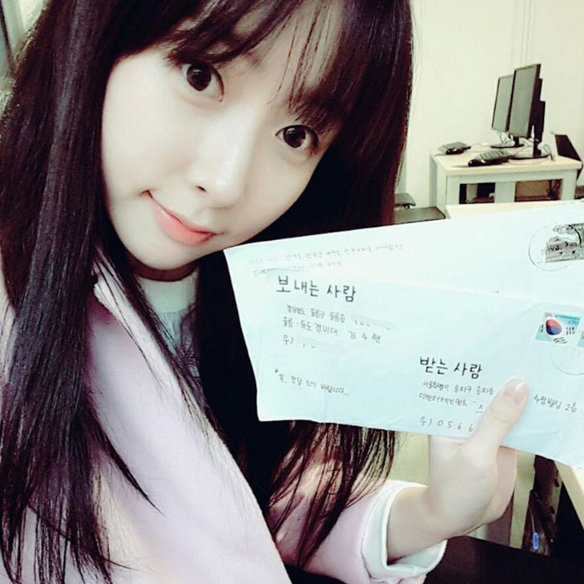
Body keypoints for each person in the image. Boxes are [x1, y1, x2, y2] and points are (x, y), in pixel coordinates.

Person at [0, 0, 528, 583]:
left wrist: (429, 514)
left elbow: (248, 496)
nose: (226, 182)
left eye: (296, 135)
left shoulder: (233, 286)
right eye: (201, 74)